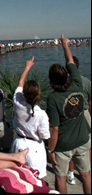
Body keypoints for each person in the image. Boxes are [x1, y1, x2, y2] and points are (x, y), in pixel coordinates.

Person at [46, 35, 91, 194]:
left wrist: (51, 150)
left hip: (64, 145)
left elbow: (54, 129)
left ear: (51, 81)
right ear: (67, 75)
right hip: (83, 139)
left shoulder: (52, 98)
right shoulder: (77, 82)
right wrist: (65, 44)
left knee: (61, 178)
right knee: (86, 175)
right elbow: (70, 61)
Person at [10, 57, 50, 178]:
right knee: (35, 180)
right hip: (35, 149)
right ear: (38, 95)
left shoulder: (17, 101)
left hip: (18, 143)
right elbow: (44, 136)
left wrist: (27, 67)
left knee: (18, 178)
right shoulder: (41, 114)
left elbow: (20, 83)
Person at [65, 56, 91, 186]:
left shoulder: (66, 83)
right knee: (87, 144)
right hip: (85, 112)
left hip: (71, 114)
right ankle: (87, 170)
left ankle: (70, 173)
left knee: (71, 145)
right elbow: (90, 101)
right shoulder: (86, 81)